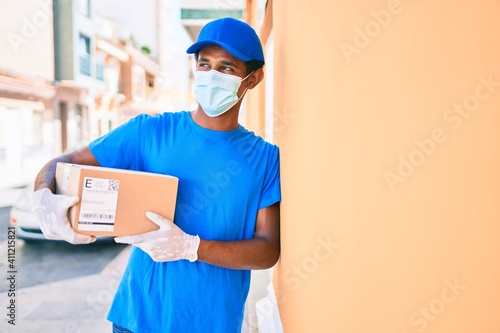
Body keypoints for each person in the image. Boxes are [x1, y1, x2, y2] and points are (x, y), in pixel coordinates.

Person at [29, 17, 281, 333]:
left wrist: (192, 247)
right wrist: (43, 197)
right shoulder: (150, 131)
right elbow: (63, 162)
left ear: (253, 79)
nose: (211, 76)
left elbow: (268, 249)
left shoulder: (264, 158)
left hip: (213, 324)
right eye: (204, 65)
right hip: (138, 320)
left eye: (226, 68)